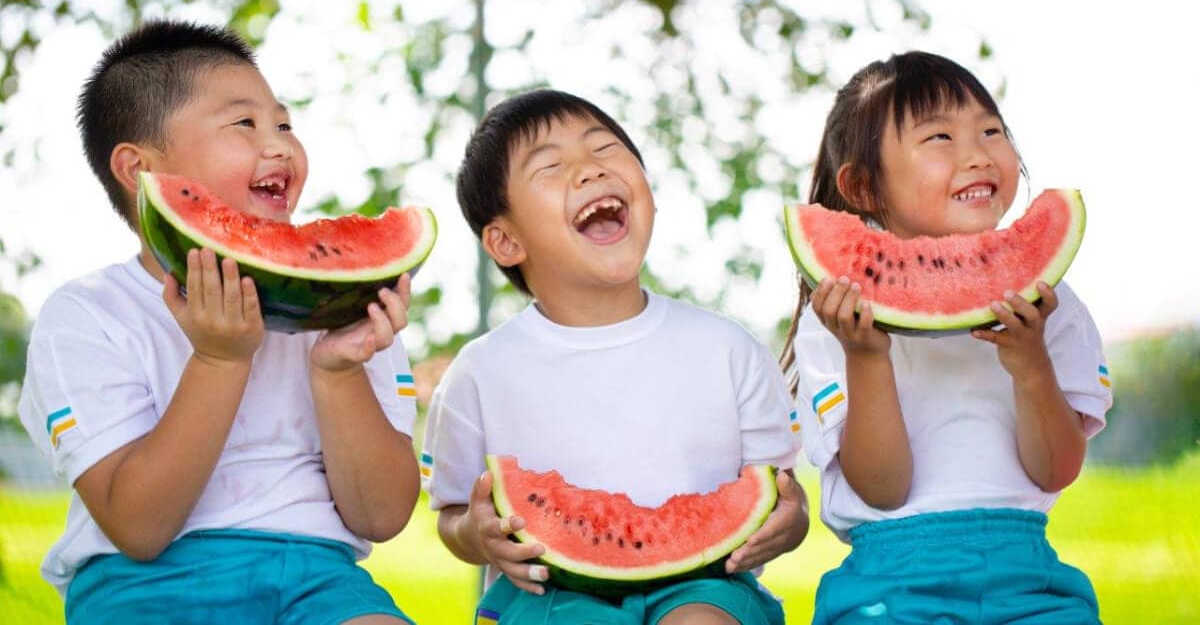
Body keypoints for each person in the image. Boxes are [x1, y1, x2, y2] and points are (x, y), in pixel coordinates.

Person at [18, 20, 420, 624]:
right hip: (142, 586)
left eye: (285, 124)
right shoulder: (86, 316)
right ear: (138, 169)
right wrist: (219, 360)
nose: (280, 144)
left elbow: (382, 517)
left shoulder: (344, 311)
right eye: (244, 124)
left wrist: (338, 372)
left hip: (317, 578)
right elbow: (138, 526)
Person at [422, 89, 808, 625]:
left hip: (708, 584)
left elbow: (781, 494)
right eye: (552, 166)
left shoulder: (728, 349)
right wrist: (477, 534)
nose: (589, 171)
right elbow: (453, 515)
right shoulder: (481, 372)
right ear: (506, 241)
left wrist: (792, 523)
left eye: (605, 149)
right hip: (544, 591)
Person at [782, 51, 1112, 624]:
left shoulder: (1049, 300)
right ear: (863, 185)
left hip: (1028, 578)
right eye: (939, 137)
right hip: (889, 586)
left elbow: (1055, 470)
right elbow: (883, 489)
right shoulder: (835, 317)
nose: (978, 154)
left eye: (991, 130)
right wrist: (866, 356)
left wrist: (1032, 363)